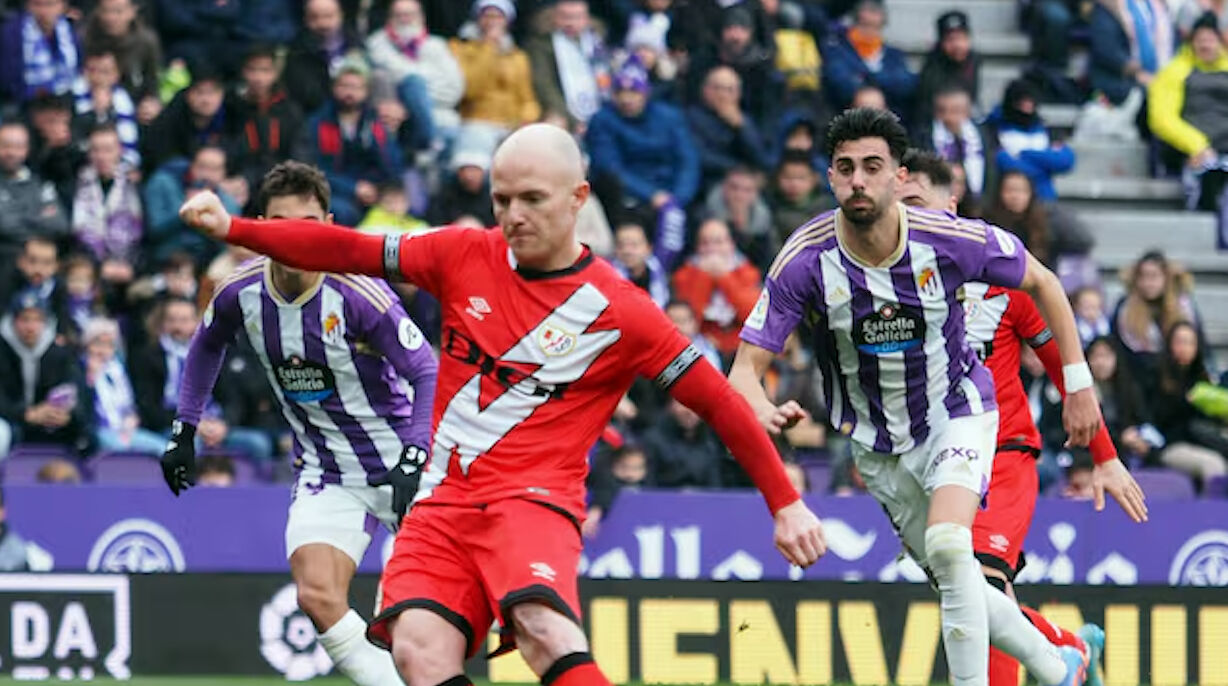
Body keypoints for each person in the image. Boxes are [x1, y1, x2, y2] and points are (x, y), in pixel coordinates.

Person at [178, 122, 825, 686]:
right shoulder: (463, 254)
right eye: (501, 199)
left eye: (531, 199)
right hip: (441, 500)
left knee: (542, 628)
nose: (512, 215)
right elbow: (345, 248)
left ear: (578, 200)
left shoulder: (623, 311)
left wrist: (785, 502)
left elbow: (717, 401)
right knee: (418, 649)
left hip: (533, 500)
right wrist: (235, 229)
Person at [728, 108, 1132, 686]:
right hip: (875, 444)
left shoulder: (949, 238)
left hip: (958, 414)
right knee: (957, 578)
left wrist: (1081, 388)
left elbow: (1044, 282)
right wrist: (761, 405)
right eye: (846, 168)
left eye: (873, 166)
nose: (859, 180)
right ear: (831, 177)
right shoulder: (805, 258)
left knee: (950, 545)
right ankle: (1060, 661)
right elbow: (744, 369)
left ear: (898, 176)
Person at [162, 161, 438, 686]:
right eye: (282, 223)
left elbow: (426, 370)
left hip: (405, 464)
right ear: (261, 225)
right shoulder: (238, 293)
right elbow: (205, 346)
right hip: (326, 469)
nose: (295, 237)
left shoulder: (360, 295)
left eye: (308, 223)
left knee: (426, 617)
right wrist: (185, 428)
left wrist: (415, 456)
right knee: (316, 594)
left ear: (330, 224)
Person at [897, 149, 1147, 686]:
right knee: (969, 594)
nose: (907, 217)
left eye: (917, 203)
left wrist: (1103, 456)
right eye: (901, 207)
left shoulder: (1002, 273)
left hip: (1004, 454)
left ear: (952, 203)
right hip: (934, 464)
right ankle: (1067, 648)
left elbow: (1063, 369)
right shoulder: (889, 286)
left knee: (980, 586)